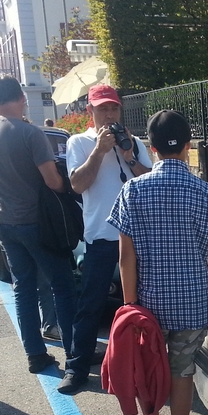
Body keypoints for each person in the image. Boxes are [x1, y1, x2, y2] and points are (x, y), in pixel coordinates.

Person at [107, 109, 208, 415]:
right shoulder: (207, 193)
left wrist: (129, 305)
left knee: (146, 369)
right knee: (182, 372)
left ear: (151, 147)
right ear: (189, 148)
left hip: (147, 306)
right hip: (193, 305)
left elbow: (125, 256)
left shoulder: (133, 190)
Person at [0, 75, 76, 373]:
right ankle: (74, 351)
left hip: (3, 221)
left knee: (23, 287)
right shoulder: (30, 134)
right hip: (37, 221)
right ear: (22, 97)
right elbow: (53, 181)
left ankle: (35, 353)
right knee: (63, 284)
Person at [59, 84, 151, 395]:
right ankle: (77, 367)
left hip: (137, 238)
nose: (108, 114)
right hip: (101, 237)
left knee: (142, 303)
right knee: (91, 305)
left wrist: (129, 155)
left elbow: (149, 183)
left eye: (113, 108)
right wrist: (99, 150)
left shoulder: (135, 142)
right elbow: (77, 184)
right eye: (102, 109)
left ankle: (143, 363)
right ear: (90, 112)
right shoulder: (79, 143)